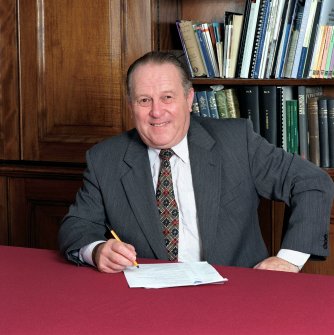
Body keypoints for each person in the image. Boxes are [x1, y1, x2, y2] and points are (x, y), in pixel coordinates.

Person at [58, 51, 334, 274]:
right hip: (145, 300)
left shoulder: (236, 141)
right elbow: (77, 224)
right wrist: (95, 250)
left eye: (167, 97)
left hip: (234, 294)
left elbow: (311, 181)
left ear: (189, 99)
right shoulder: (105, 157)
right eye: (144, 100)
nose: (156, 112)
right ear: (131, 105)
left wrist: (289, 259)